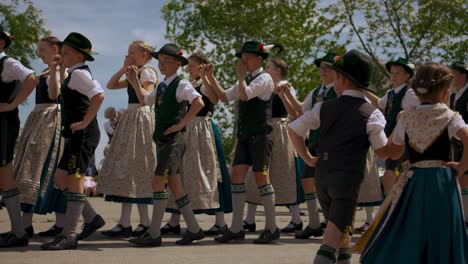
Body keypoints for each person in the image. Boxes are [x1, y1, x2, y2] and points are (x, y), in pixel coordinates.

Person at [356, 62, 468, 264]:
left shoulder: (406, 117)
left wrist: (381, 131)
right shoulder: (450, 116)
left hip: (414, 180)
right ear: (445, 92)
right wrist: (461, 167)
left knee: (411, 227)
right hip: (443, 180)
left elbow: (391, 151)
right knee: (441, 229)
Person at [288, 50, 390, 263]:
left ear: (341, 79)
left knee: (343, 230)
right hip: (347, 179)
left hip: (322, 176)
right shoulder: (371, 112)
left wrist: (307, 158)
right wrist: (399, 142)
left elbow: (294, 130)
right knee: (332, 237)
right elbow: (382, 151)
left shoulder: (323, 106)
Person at [128, 43, 206, 246]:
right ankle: (195, 229)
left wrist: (181, 124)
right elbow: (145, 100)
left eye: (167, 61)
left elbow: (199, 102)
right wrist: (134, 82)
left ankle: (153, 234)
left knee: (157, 181)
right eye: (160, 61)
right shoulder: (163, 85)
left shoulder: (182, 84)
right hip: (164, 139)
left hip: (174, 140)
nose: (162, 65)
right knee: (175, 184)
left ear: (178, 64)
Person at [209, 41, 280, 244]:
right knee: (237, 177)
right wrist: (209, 76)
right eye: (242, 57)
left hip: (261, 134)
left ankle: (272, 228)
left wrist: (240, 77)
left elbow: (245, 95)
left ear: (259, 59)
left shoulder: (264, 78)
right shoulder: (247, 78)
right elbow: (223, 97)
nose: (243, 60)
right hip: (246, 136)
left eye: (247, 57)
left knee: (261, 179)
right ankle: (236, 227)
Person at [41, 32, 105, 250]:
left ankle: (68, 235)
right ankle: (92, 218)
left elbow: (99, 95)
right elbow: (54, 95)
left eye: (66, 52)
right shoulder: (72, 74)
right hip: (76, 135)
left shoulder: (80, 75)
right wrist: (57, 68)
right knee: (60, 179)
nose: (63, 55)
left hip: (84, 134)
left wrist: (86, 122)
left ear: (78, 56)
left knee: (75, 180)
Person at [98, 41, 157, 238]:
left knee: (138, 167)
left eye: (132, 52)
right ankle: (125, 222)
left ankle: (144, 222)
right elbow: (111, 85)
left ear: (143, 55)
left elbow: (146, 96)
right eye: (128, 52)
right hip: (132, 118)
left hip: (141, 116)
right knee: (127, 169)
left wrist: (133, 78)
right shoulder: (134, 70)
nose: (128, 55)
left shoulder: (147, 71)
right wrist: (124, 69)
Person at [243, 57, 304, 234]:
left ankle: (296, 218)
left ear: (277, 70)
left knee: (282, 173)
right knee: (257, 173)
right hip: (264, 128)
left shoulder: (286, 86)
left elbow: (294, 112)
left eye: (268, 67)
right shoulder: (264, 84)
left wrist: (282, 94)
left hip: (279, 130)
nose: (265, 69)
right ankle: (249, 219)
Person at [13, 36, 67, 238]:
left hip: (51, 120)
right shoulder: (46, 71)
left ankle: (59, 224)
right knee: (31, 168)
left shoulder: (64, 70)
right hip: (39, 119)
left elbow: (54, 95)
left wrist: (55, 69)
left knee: (44, 169)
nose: (38, 53)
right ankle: (26, 223)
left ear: (54, 49)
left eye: (41, 49)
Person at [0, 26, 39, 248]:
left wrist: (12, 105)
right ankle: (17, 230)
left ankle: (18, 231)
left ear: (1, 42)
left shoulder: (7, 63)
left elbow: (32, 79)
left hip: (4, 123)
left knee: (4, 173)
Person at [448, 60, 468, 229]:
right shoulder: (453, 95)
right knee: (460, 176)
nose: (451, 78)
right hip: (455, 141)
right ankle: (461, 214)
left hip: (466, 138)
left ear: (463, 76)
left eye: (454, 75)